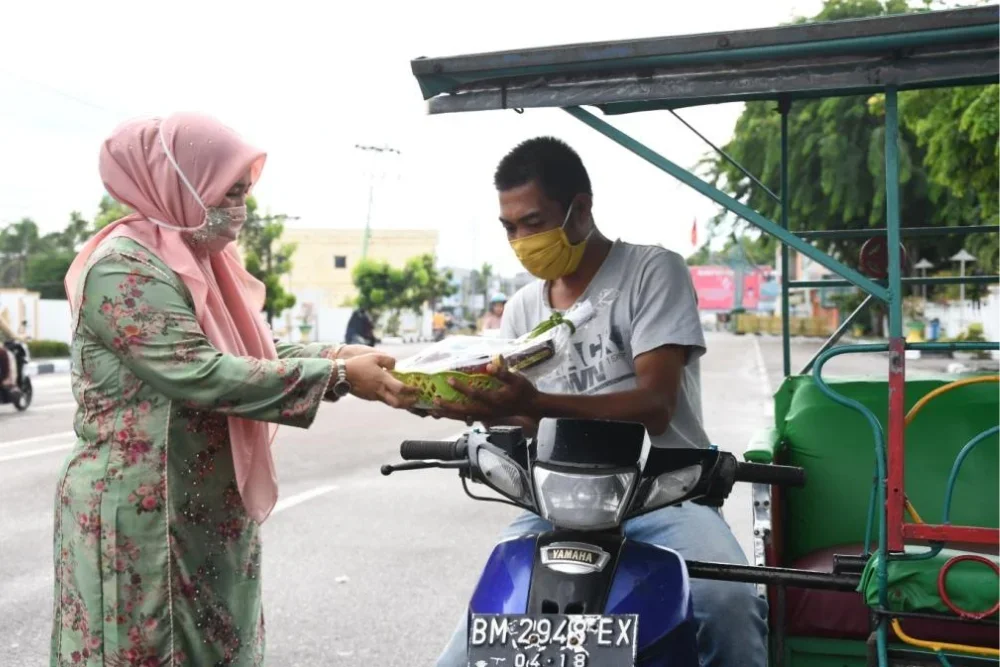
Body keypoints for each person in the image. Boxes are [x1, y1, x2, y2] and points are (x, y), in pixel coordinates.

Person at [53, 113, 416, 666]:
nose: (239, 209)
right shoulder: (124, 268)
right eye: (228, 193)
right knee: (150, 647)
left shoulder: (202, 262)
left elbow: (251, 355)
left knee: (214, 644)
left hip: (203, 503)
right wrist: (337, 375)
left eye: (244, 193)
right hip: (142, 508)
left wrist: (340, 358)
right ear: (181, 184)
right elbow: (195, 371)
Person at [428, 137, 767, 667]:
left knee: (729, 606)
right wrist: (472, 406)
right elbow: (523, 414)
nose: (521, 239)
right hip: (555, 506)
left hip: (662, 494)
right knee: (465, 652)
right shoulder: (521, 308)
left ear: (580, 208)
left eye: (533, 222)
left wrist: (536, 402)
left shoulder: (652, 272)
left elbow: (656, 404)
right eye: (510, 227)